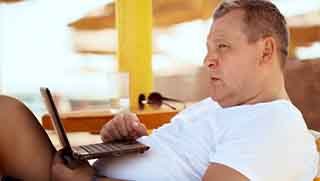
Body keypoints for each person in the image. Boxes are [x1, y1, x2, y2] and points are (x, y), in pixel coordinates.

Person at [0, 0, 318, 180]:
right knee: (6, 112)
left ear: (265, 51)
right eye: (208, 48)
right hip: (86, 174)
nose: (208, 60)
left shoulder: (272, 128)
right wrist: (127, 141)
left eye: (223, 47)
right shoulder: (220, 107)